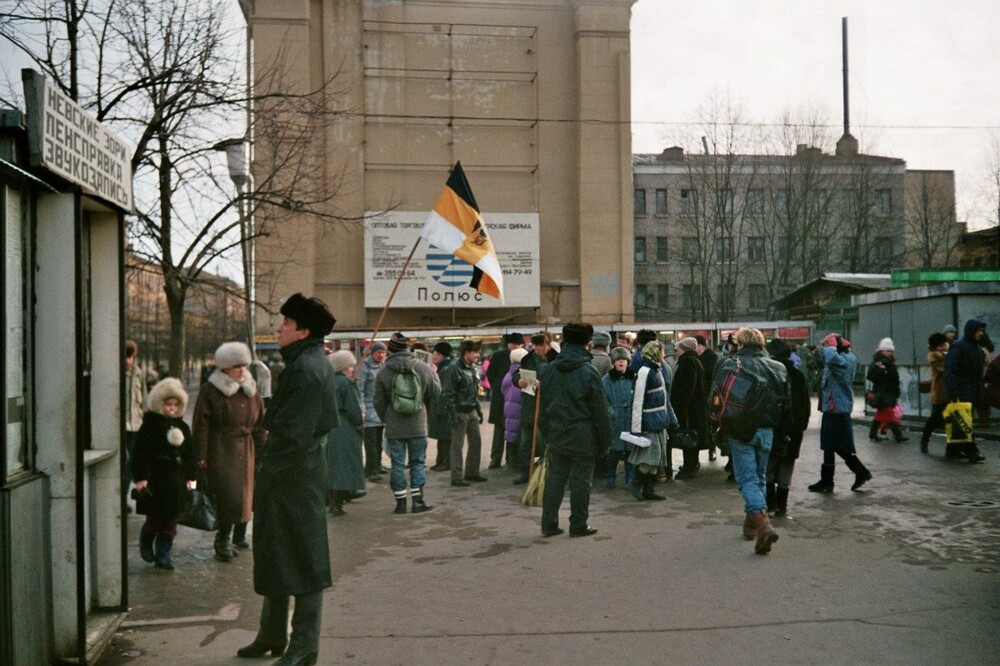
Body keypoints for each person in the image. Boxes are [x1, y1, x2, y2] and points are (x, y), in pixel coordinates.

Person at [239, 293, 338, 665]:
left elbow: (294, 435)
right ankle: (272, 634)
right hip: (295, 475)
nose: (279, 328)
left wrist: (268, 474)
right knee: (279, 555)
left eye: (286, 324)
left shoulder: (307, 368)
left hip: (294, 478)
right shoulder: (306, 362)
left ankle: (304, 644)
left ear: (304, 331)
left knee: (303, 560)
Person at [712, 327, 788, 555]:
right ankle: (750, 526)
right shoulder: (778, 367)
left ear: (740, 343)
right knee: (759, 477)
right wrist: (784, 433)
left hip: (740, 429)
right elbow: (786, 404)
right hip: (767, 429)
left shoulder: (730, 364)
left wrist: (715, 424)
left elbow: (716, 397)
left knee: (746, 480)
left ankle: (763, 525)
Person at [192, 341, 264, 562]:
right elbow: (201, 424)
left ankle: (236, 538)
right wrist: (202, 455)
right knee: (228, 497)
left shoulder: (251, 389)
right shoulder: (211, 390)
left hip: (247, 449)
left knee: (245, 495)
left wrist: (262, 448)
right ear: (224, 368)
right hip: (222, 449)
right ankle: (222, 539)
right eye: (236, 366)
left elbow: (260, 421)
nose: (242, 370)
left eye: (244, 365)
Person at [539, 322, 612, 537]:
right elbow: (601, 411)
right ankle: (578, 524)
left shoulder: (549, 369)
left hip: (557, 432)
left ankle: (548, 524)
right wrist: (605, 441)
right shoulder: (588, 371)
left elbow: (543, 407)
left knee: (555, 479)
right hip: (583, 434)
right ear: (587, 342)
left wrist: (547, 432)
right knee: (581, 482)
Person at [132, 377, 197, 570]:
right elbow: (141, 453)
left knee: (172, 521)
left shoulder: (183, 427)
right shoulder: (150, 426)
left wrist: (191, 476)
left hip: (176, 480)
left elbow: (190, 454)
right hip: (156, 479)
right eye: (168, 404)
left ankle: (164, 553)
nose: (172, 408)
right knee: (155, 518)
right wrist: (142, 477)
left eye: (176, 404)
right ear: (160, 404)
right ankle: (147, 539)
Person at [374, 332, 441, 512]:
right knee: (417, 462)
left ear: (391, 350)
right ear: (407, 348)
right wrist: (434, 374)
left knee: (397, 463)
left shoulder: (383, 371)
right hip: (418, 424)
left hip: (394, 425)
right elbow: (436, 393)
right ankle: (418, 501)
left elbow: (378, 402)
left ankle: (400, 503)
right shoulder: (422, 367)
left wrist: (386, 418)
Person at [807, 334, 874, 494]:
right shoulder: (836, 359)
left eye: (827, 348)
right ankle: (828, 480)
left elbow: (834, 362)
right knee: (829, 445)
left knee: (838, 445)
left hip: (839, 409)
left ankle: (860, 472)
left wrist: (829, 347)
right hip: (832, 408)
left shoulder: (847, 359)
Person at [764, 338, 811, 516]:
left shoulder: (771, 373)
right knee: (786, 466)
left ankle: (771, 505)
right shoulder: (798, 374)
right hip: (795, 429)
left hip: (775, 427)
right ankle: (782, 506)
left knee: (768, 468)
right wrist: (801, 426)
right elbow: (805, 404)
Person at [626, 340, 677, 501]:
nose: (664, 354)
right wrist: (636, 427)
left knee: (658, 458)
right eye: (662, 351)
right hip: (650, 422)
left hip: (658, 421)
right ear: (655, 353)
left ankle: (649, 489)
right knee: (651, 457)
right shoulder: (645, 372)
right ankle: (635, 482)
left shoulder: (656, 370)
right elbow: (637, 401)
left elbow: (664, 399)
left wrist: (671, 419)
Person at [441, 339, 486, 487]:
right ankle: (457, 476)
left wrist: (478, 410)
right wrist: (452, 414)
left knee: (476, 442)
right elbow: (448, 394)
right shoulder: (454, 369)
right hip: (460, 412)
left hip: (471, 410)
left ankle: (472, 472)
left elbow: (474, 391)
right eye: (475, 352)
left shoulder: (472, 368)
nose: (478, 355)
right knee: (457, 446)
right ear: (466, 353)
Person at [325, 350, 365, 517]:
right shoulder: (346, 384)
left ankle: (333, 500)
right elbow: (352, 408)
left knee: (333, 465)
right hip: (344, 426)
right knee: (345, 465)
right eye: (350, 366)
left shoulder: (329, 381)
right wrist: (359, 423)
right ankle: (338, 502)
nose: (352, 368)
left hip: (331, 426)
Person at [943, 318, 987, 463]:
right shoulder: (958, 346)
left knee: (962, 420)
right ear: (971, 331)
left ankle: (952, 450)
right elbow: (951, 370)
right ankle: (972, 452)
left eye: (982, 330)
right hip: (962, 390)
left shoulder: (977, 348)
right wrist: (954, 390)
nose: (981, 333)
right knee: (965, 422)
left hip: (972, 390)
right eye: (979, 330)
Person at [515, 332, 553, 481]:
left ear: (548, 344)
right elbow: (516, 375)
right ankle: (525, 472)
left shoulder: (556, 358)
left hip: (547, 407)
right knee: (525, 443)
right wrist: (519, 381)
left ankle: (546, 474)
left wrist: (544, 384)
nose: (538, 348)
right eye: (536, 345)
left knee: (545, 443)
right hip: (530, 405)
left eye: (541, 345)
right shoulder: (527, 359)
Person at [671, 337, 710, 480]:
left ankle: (689, 467)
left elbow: (687, 388)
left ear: (684, 349)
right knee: (693, 436)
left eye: (678, 349)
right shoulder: (695, 361)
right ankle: (691, 465)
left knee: (688, 437)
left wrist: (681, 406)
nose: (676, 352)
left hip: (690, 410)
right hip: (696, 408)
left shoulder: (687, 363)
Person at [486, 333, 524, 469]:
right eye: (514, 344)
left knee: (512, 430)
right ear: (509, 344)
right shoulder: (499, 356)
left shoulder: (522, 357)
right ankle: (495, 459)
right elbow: (490, 374)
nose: (517, 347)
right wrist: (498, 387)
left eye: (519, 344)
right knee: (499, 430)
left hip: (514, 400)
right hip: (500, 398)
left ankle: (510, 459)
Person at [602, 346, 636, 489]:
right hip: (615, 419)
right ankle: (610, 476)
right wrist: (611, 412)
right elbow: (603, 398)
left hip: (629, 417)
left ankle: (630, 478)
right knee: (613, 451)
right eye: (617, 360)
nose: (621, 362)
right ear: (613, 362)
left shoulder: (634, 377)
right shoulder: (606, 379)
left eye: (623, 359)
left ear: (628, 361)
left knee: (630, 450)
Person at [866, 337, 908, 443]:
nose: (890, 353)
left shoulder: (890, 362)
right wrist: (881, 371)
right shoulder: (877, 362)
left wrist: (897, 393)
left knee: (881, 414)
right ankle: (898, 436)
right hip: (882, 392)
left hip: (890, 392)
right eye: (888, 351)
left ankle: (872, 434)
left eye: (891, 351)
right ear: (882, 350)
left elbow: (895, 379)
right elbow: (871, 376)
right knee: (889, 414)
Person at [358, 341, 388, 482]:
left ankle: (378, 465)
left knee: (379, 441)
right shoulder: (365, 367)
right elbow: (360, 390)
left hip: (380, 409)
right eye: (378, 352)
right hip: (369, 410)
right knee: (371, 443)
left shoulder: (384, 366)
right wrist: (362, 409)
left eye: (383, 352)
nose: (381, 355)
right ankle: (370, 470)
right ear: (372, 353)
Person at [124, 340, 147, 513]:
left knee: (131, 463)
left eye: (130, 357)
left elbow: (144, 399)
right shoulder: (116, 374)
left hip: (136, 426)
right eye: (125, 356)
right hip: (121, 427)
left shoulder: (138, 374)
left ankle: (126, 498)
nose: (127, 361)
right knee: (124, 463)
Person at [919, 332, 950, 455]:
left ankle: (952, 448)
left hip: (950, 392)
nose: (944, 346)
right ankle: (924, 440)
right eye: (941, 345)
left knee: (951, 421)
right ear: (936, 346)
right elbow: (944, 368)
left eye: (945, 344)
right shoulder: (934, 357)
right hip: (940, 392)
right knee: (934, 419)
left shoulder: (948, 354)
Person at [503, 348, 529, 484]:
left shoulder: (508, 374)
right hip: (520, 409)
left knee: (511, 435)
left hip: (508, 408)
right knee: (522, 439)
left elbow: (503, 390)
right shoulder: (524, 374)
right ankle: (519, 464)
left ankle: (511, 461)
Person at [428, 342, 454, 471]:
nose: (434, 356)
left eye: (437, 354)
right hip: (440, 406)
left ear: (443, 355)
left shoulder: (446, 368)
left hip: (444, 407)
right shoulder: (442, 367)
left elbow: (443, 388)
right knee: (441, 435)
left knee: (445, 435)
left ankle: (446, 462)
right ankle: (440, 460)